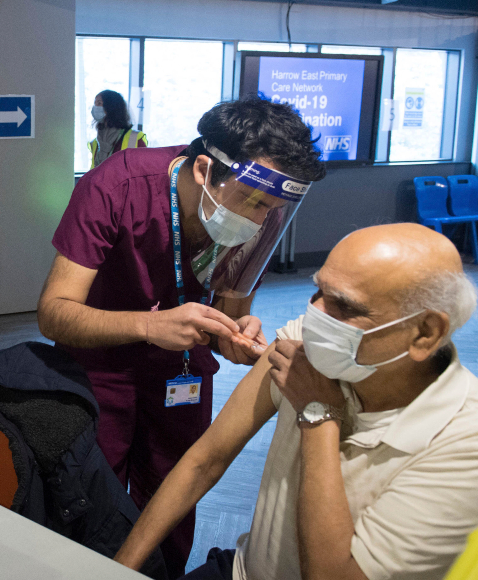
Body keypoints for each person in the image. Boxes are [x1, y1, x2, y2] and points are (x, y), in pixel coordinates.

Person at [114, 223, 478, 580]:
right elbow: (207, 458)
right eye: (318, 291)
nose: (314, 315)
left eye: (343, 306)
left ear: (425, 333)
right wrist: (117, 569)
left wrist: (318, 413)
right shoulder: (304, 342)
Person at [38, 96, 327, 577]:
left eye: (271, 209)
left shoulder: (263, 212)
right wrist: (150, 325)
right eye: (252, 202)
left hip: (181, 373)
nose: (258, 220)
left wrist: (231, 336)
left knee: (173, 494)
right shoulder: (117, 184)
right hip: (100, 367)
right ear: (202, 170)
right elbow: (54, 314)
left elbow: (230, 313)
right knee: (91, 498)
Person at [88, 89, 146, 170]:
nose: (95, 107)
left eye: (99, 103)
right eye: (95, 104)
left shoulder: (135, 139)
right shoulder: (95, 142)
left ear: (111, 107)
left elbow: (143, 172)